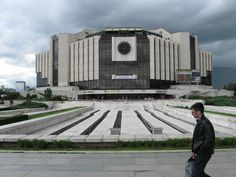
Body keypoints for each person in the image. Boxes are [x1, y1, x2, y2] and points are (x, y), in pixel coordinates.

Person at [190, 102, 215, 177]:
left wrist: (200, 150)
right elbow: (197, 139)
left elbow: (209, 139)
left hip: (204, 153)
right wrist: (194, 151)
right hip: (200, 152)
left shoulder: (206, 123)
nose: (192, 114)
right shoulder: (200, 122)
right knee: (199, 173)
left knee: (195, 174)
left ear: (198, 112)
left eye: (193, 112)